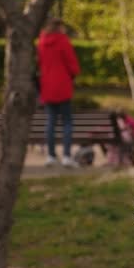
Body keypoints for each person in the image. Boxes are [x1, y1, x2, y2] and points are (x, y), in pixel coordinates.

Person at [37, 17, 81, 168]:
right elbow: (73, 65)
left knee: (50, 122)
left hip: (47, 86)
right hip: (62, 86)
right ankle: (67, 156)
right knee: (67, 122)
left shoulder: (41, 42)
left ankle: (51, 155)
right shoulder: (63, 41)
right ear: (59, 27)